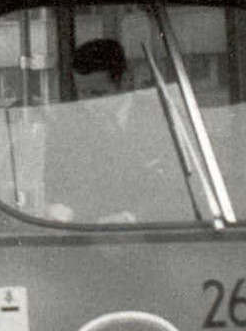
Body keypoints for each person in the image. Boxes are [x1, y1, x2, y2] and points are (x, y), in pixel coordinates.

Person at [44, 39, 188, 224]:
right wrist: (55, 207)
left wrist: (132, 217)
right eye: (82, 92)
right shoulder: (65, 126)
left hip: (152, 234)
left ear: (126, 81)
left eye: (98, 93)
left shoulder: (164, 118)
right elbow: (53, 185)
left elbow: (181, 188)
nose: (89, 103)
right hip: (85, 235)